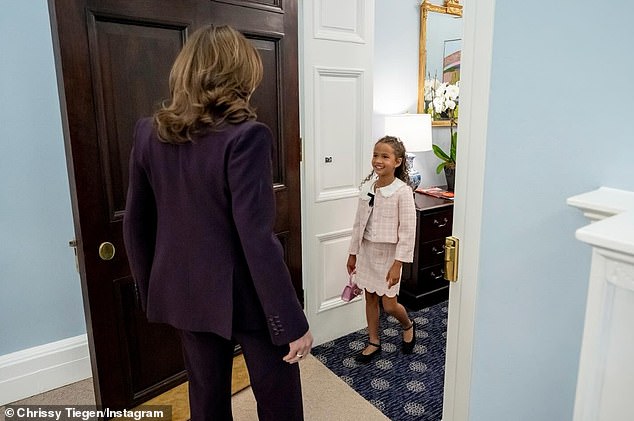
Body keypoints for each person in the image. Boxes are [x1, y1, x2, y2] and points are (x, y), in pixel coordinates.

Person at [123, 25, 313, 421]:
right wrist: (292, 320)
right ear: (240, 74)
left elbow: (136, 225)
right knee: (280, 403)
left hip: (184, 291)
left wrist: (153, 289)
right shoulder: (248, 137)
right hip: (249, 297)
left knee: (205, 401)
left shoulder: (148, 133)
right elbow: (257, 240)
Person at [346, 136, 417, 363]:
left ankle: (407, 324)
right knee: (369, 298)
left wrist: (399, 263)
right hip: (367, 251)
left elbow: (407, 230)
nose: (378, 160)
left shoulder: (402, 191)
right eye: (375, 155)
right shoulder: (368, 188)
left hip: (389, 256)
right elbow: (358, 222)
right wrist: (352, 252)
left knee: (389, 304)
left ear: (397, 161)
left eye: (384, 156)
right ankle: (374, 341)